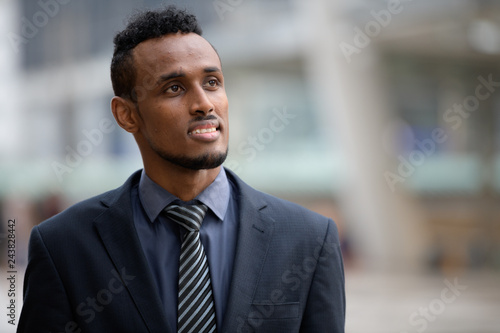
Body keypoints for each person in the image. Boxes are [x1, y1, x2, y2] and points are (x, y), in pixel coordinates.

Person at [18, 6, 345, 333]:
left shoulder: (310, 239)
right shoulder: (64, 246)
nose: (204, 103)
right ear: (127, 115)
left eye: (212, 82)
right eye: (174, 88)